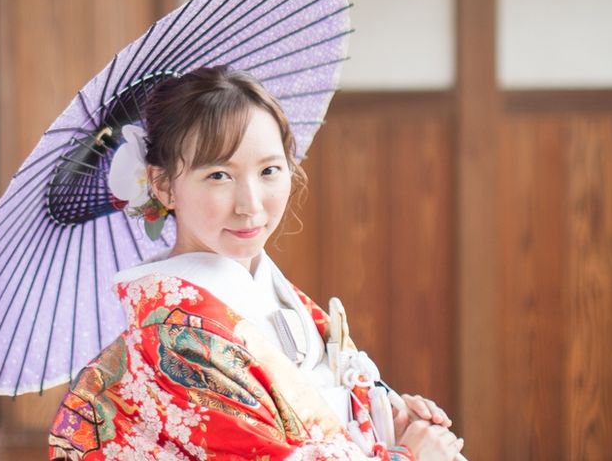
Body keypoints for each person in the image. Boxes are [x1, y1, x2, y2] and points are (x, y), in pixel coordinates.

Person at [48, 66, 465, 461]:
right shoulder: (178, 339)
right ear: (163, 185)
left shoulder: (267, 290)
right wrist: (411, 455)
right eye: (218, 175)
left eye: (269, 170)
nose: (250, 205)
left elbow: (327, 415)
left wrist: (382, 417)